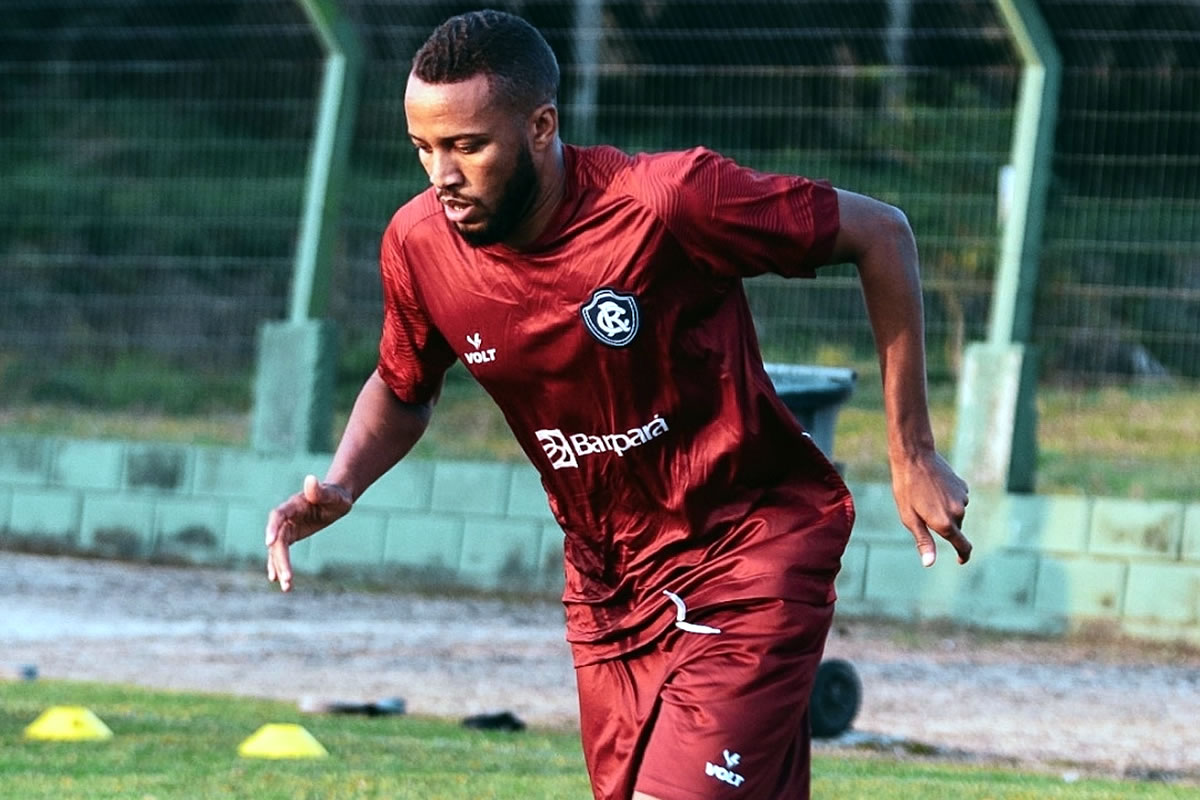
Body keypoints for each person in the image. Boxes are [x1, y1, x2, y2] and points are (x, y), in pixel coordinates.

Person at [265, 9, 971, 800]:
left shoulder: (668, 202)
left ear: (541, 126)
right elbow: (403, 387)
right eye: (424, 148)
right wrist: (344, 481)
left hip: (747, 549)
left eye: (467, 146)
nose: (443, 174)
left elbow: (880, 233)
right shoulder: (418, 245)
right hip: (609, 591)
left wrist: (911, 450)